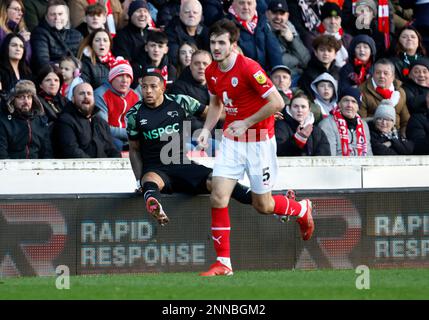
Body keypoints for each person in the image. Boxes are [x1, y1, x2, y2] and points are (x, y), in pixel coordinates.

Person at [197, 19, 314, 277]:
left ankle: (302, 209)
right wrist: (206, 130)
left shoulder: (249, 67)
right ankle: (224, 264)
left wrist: (246, 121)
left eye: (221, 43)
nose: (216, 48)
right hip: (231, 143)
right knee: (218, 196)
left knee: (264, 205)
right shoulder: (211, 71)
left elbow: (278, 102)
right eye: (213, 42)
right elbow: (216, 103)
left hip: (259, 143)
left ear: (233, 44)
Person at [126, 70, 253, 226]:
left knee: (220, 181)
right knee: (149, 181)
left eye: (153, 86)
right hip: (156, 168)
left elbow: (213, 112)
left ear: (163, 88)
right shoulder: (134, 114)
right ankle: (154, 205)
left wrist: (252, 115)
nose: (148, 91)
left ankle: (266, 200)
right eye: (144, 87)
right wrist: (139, 181)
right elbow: (134, 149)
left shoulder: (180, 102)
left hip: (183, 164)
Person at [53, 82, 120, 158]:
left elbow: (112, 150)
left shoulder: (101, 122)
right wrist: (95, 166)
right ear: (73, 99)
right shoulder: (65, 121)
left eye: (89, 93)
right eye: (81, 93)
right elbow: (72, 151)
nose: (86, 96)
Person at [94, 57, 140, 152]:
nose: (125, 80)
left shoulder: (135, 95)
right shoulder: (100, 94)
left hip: (131, 138)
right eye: (120, 75)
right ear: (112, 78)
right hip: (110, 138)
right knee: (116, 145)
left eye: (128, 76)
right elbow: (103, 129)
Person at [0, 80, 52, 159]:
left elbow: (47, 151)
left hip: (37, 168)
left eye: (29, 97)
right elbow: (2, 153)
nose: (26, 101)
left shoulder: (40, 120)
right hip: (12, 168)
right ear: (12, 99)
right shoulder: (4, 121)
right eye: (21, 97)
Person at [226, 0, 283, 71]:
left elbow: (274, 52)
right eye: (241, 3)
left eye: (249, 3)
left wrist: (278, 72)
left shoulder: (262, 22)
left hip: (264, 74)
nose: (246, 7)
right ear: (233, 4)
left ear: (255, 5)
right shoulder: (226, 25)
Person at [359, 58, 410, 137]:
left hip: (397, 135)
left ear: (393, 77)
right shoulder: (362, 91)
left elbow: (405, 121)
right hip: (373, 135)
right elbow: (361, 121)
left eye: (386, 73)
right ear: (373, 74)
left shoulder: (400, 92)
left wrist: (403, 136)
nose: (382, 76)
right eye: (378, 73)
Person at [319, 87, 373, 156]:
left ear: (358, 107)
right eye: (346, 100)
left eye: (354, 102)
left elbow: (369, 154)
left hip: (362, 166)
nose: (349, 105)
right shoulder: (327, 124)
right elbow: (330, 157)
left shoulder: (363, 125)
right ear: (339, 104)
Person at [265, 0, 310, 83]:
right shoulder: (263, 31)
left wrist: (292, 40)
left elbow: (306, 61)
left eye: (282, 14)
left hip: (297, 77)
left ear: (287, 16)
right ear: (267, 14)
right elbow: (277, 62)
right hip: (276, 81)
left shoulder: (290, 29)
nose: (278, 17)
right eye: (275, 13)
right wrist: (296, 60)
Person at [30, 0, 83, 70]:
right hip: (52, 76)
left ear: (67, 16)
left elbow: (85, 61)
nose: (57, 18)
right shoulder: (39, 33)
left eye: (60, 14)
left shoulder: (77, 35)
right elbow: (42, 62)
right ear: (46, 17)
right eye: (52, 14)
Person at [304, 2, 352, 68]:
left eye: (336, 18)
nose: (333, 21)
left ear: (340, 20)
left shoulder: (348, 38)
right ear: (322, 20)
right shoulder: (312, 37)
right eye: (329, 17)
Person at [164, 0, 209, 66]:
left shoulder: (205, 31)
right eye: (187, 12)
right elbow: (173, 58)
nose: (191, 15)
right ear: (180, 14)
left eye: (195, 12)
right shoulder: (171, 30)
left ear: (200, 16)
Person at [298, 34, 342, 98]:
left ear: (335, 54)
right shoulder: (308, 74)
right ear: (315, 52)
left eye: (329, 51)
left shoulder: (339, 72)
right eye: (322, 50)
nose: (326, 54)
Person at [112, 0, 152, 65]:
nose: (142, 14)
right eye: (138, 11)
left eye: (145, 11)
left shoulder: (152, 35)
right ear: (130, 15)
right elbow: (124, 63)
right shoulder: (121, 37)